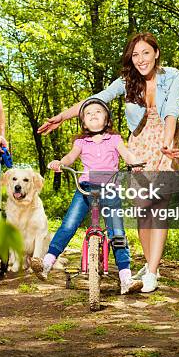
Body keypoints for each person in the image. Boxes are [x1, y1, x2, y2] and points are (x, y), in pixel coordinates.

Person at [38, 32, 179, 293]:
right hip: (139, 143)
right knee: (143, 206)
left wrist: (167, 141)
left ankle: (152, 271)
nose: (141, 59)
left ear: (156, 53)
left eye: (145, 53)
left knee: (159, 206)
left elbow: (172, 111)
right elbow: (97, 99)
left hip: (166, 141)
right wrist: (61, 117)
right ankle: (151, 263)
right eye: (135, 54)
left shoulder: (173, 76)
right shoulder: (126, 81)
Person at [32, 98, 144, 295]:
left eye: (98, 111)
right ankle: (47, 263)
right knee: (69, 224)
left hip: (109, 188)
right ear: (83, 122)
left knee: (116, 231)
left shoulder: (115, 140)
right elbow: (70, 157)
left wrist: (136, 163)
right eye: (88, 113)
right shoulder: (80, 142)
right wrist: (60, 162)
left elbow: (127, 155)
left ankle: (126, 277)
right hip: (85, 187)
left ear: (107, 119)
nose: (93, 114)